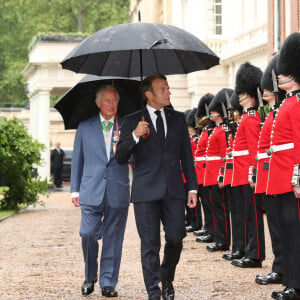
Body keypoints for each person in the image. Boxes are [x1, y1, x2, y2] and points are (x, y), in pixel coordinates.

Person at [116, 74, 198, 300]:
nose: (168, 92)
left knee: (175, 237)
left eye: (168, 88)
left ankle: (166, 276)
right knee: (150, 245)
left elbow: (187, 156)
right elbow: (121, 156)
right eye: (163, 89)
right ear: (148, 95)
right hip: (145, 192)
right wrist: (134, 135)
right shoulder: (132, 120)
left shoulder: (178, 118)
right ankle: (154, 292)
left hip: (174, 190)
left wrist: (192, 188)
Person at [71, 85, 130, 297]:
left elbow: (134, 157)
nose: (111, 104)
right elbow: (77, 159)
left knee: (113, 238)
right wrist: (74, 190)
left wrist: (126, 144)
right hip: (90, 189)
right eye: (107, 100)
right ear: (98, 103)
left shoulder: (127, 124)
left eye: (115, 100)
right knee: (87, 233)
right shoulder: (85, 127)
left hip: (118, 189)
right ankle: (90, 275)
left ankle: (107, 282)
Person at [266, 32, 300, 300]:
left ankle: (295, 284)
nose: (279, 74)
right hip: (280, 177)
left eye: (284, 70)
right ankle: (291, 280)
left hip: (291, 177)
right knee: (288, 233)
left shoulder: (297, 103)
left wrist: (298, 177)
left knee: (294, 233)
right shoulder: (288, 103)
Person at [253, 55, 285, 286]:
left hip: (281, 174)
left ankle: (283, 268)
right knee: (275, 225)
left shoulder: (279, 112)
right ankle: (279, 266)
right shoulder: (271, 114)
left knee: (282, 227)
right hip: (270, 174)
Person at [230, 62, 266, 268]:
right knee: (247, 215)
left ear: (250, 94)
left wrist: (254, 174)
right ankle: (249, 250)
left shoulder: (251, 118)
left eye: (244, 92)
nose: (240, 96)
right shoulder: (246, 117)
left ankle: (255, 254)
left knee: (253, 216)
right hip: (241, 172)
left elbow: (254, 151)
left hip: (247, 172)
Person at [203, 88, 232, 252]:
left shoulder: (222, 131)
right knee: (216, 208)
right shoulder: (216, 130)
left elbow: (223, 156)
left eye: (214, 111)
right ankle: (219, 237)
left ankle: (223, 240)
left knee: (221, 209)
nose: (211, 113)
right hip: (211, 174)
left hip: (217, 174)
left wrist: (222, 174)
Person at [194, 93, 215, 242]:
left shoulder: (211, 131)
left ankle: (213, 231)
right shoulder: (205, 132)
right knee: (207, 206)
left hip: (208, 171)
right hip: (203, 171)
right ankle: (209, 228)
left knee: (212, 206)